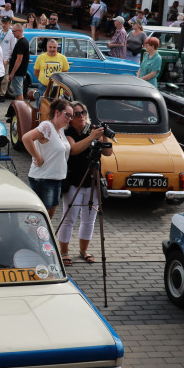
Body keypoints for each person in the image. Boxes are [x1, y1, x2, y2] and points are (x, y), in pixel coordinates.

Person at [58, 101, 112, 265]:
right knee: (69, 218)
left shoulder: (92, 130)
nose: (81, 116)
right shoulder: (68, 132)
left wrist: (104, 135)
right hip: (74, 180)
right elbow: (74, 149)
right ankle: (64, 252)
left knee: (90, 219)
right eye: (76, 114)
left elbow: (108, 152)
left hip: (93, 181)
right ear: (71, 118)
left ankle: (84, 250)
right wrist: (92, 137)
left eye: (83, 113)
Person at [22, 98, 73, 217]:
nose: (69, 119)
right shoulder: (47, 127)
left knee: (49, 216)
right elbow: (26, 138)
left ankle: (43, 236)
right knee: (40, 217)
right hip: (43, 178)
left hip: (56, 178)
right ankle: (33, 235)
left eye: (71, 116)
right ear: (57, 112)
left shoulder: (61, 130)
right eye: (67, 115)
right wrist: (37, 157)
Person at [6, 22, 30, 99]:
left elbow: (19, 59)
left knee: (19, 93)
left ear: (20, 31)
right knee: (17, 93)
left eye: (14, 31)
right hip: (20, 72)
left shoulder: (21, 43)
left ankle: (20, 109)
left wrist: (12, 73)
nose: (12, 33)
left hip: (18, 73)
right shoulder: (21, 41)